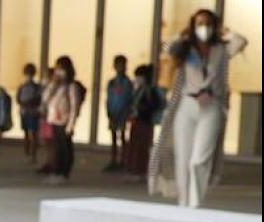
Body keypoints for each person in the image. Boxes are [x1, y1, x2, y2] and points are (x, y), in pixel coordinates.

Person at [150, 8, 249, 208]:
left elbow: (241, 42)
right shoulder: (186, 49)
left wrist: (225, 31)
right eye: (199, 24)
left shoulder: (221, 50)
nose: (203, 28)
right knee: (183, 158)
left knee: (199, 159)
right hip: (187, 105)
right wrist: (182, 34)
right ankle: (183, 202)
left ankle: (195, 203)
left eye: (207, 24)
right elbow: (166, 47)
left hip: (211, 105)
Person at [42, 56, 83, 185]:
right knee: (56, 147)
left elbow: (74, 107)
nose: (59, 72)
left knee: (65, 147)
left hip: (64, 121)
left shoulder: (72, 86)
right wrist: (53, 83)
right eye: (58, 68)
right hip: (53, 119)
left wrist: (70, 125)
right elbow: (45, 98)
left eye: (62, 69)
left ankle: (64, 172)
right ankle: (56, 171)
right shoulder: (55, 85)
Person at [124, 64, 162, 180]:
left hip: (145, 122)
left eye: (139, 76)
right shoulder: (138, 89)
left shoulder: (150, 91)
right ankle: (133, 170)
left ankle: (140, 171)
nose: (137, 79)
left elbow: (154, 105)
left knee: (142, 147)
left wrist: (141, 108)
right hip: (136, 121)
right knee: (134, 146)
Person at [104, 54, 134, 171]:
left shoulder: (127, 83)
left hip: (123, 112)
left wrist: (126, 112)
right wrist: (108, 110)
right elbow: (109, 98)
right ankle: (113, 160)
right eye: (118, 65)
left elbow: (128, 98)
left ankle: (123, 161)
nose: (120, 67)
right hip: (113, 112)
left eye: (122, 65)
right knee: (113, 136)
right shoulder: (111, 82)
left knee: (122, 136)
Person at [17, 62, 43, 163]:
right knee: (26, 133)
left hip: (33, 112)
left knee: (33, 134)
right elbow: (18, 98)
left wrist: (30, 102)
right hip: (24, 112)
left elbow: (39, 98)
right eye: (27, 73)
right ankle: (27, 153)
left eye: (30, 73)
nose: (28, 75)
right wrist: (22, 103)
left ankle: (33, 155)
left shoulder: (37, 87)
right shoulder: (22, 86)